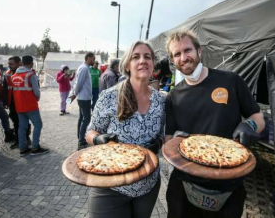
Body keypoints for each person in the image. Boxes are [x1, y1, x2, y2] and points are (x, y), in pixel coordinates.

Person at [164, 30, 265, 218]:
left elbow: (257, 117)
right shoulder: (173, 96)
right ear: (172, 60)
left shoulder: (230, 80)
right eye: (177, 54)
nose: (184, 58)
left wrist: (249, 126)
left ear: (199, 51)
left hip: (227, 179)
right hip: (184, 182)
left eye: (188, 50)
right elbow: (168, 138)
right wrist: (178, 140)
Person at [85, 41, 165, 218]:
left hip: (147, 185)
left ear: (152, 64)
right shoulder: (109, 96)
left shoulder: (161, 101)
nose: (142, 60)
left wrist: (159, 143)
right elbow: (90, 132)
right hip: (110, 186)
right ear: (127, 65)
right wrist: (99, 139)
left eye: (147, 57)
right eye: (136, 57)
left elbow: (163, 134)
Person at [12, 55, 49, 156]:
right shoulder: (30, 75)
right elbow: (36, 91)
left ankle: (23, 148)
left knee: (22, 127)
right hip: (30, 105)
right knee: (38, 125)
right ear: (31, 63)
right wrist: (36, 99)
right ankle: (35, 147)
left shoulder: (14, 76)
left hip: (19, 106)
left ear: (21, 63)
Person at [2, 56, 32, 149]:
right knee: (15, 121)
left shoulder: (27, 73)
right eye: (9, 64)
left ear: (20, 63)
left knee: (24, 121)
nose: (9, 66)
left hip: (23, 102)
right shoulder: (7, 74)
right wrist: (5, 101)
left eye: (11, 64)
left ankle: (26, 138)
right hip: (13, 103)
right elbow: (5, 88)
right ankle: (19, 140)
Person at [70, 52, 95, 150]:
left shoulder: (84, 68)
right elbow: (78, 83)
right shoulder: (84, 68)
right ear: (88, 58)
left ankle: (80, 138)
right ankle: (81, 141)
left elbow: (78, 83)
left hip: (84, 97)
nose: (94, 61)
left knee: (82, 118)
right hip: (84, 98)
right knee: (86, 119)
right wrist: (74, 94)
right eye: (93, 59)